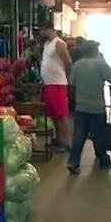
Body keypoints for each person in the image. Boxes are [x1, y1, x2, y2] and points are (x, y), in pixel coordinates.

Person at [67, 41, 111, 175]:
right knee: (99, 136)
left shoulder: (77, 65)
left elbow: (72, 86)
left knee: (78, 136)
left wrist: (74, 102)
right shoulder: (101, 64)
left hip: (81, 107)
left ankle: (73, 162)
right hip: (97, 107)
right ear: (94, 51)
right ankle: (103, 160)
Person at [39, 20, 73, 152]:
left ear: (49, 29)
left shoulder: (59, 44)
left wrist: (67, 79)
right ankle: (58, 140)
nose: (41, 33)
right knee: (53, 114)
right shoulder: (47, 44)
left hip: (58, 84)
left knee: (62, 115)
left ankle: (66, 143)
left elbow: (68, 63)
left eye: (42, 31)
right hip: (49, 84)